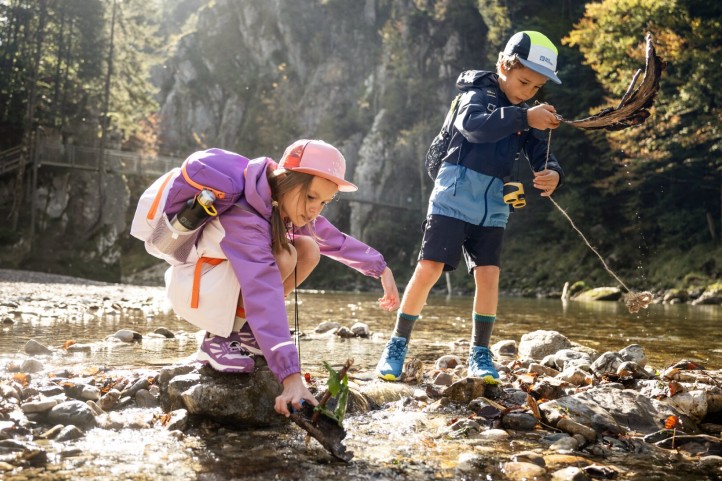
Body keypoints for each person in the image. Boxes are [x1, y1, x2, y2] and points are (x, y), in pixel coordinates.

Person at [150, 140, 400, 416]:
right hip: (196, 288)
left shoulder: (279, 203)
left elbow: (332, 239)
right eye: (310, 197)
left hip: (216, 285)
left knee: (307, 248)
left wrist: (380, 268)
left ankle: (244, 332)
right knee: (284, 256)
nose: (316, 208)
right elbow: (263, 289)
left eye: (324, 202)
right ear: (286, 180)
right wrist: (290, 376)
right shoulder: (246, 215)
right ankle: (217, 340)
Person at [375, 31, 564, 382]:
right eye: (524, 81)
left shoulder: (526, 113)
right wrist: (525, 118)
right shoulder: (476, 95)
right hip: (454, 193)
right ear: (504, 66)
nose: (528, 92)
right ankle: (396, 344)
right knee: (429, 268)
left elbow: (542, 151)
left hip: (494, 202)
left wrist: (551, 172)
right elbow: (474, 128)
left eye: (536, 88)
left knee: (489, 275)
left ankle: (480, 353)